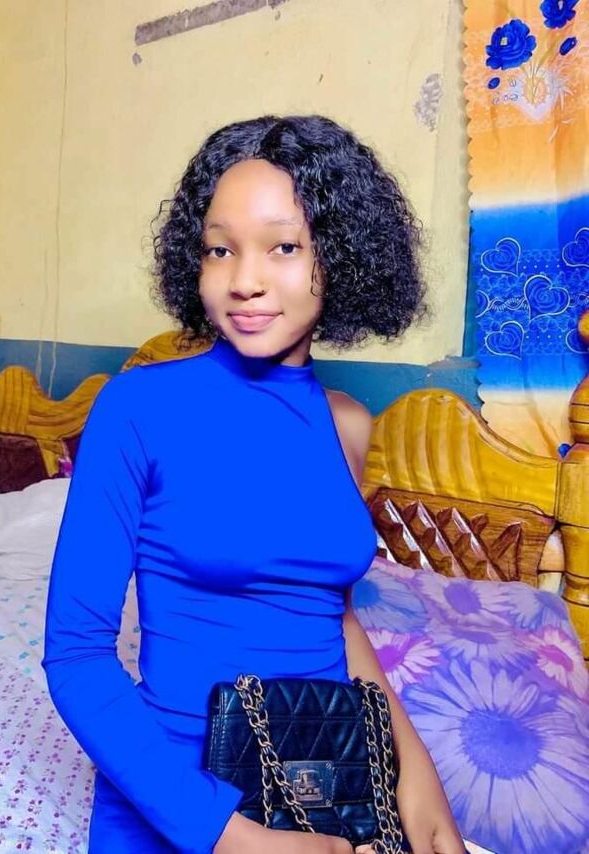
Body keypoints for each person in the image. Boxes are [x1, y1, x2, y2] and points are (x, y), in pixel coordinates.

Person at [42, 115, 464, 854]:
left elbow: (330, 613)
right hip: (181, 797)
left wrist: (412, 768)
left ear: (340, 256)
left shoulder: (348, 425)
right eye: (220, 249)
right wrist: (239, 839)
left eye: (284, 247)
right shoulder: (139, 406)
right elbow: (76, 655)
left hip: (327, 777)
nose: (243, 280)